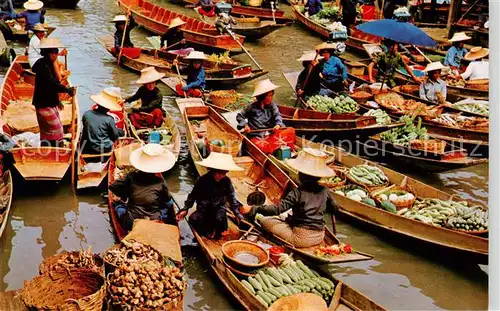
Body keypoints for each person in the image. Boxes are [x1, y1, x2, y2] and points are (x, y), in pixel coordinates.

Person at [240, 148, 337, 248]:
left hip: (301, 238)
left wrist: (254, 208)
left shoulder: (298, 192)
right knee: (283, 217)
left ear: (301, 175)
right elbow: (334, 209)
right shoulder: (325, 190)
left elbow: (278, 209)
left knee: (265, 221)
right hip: (320, 235)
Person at [175, 152, 245, 239]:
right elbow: (192, 196)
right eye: (219, 173)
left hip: (218, 208)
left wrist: (237, 213)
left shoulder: (226, 181)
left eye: (224, 173)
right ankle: (205, 234)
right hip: (204, 209)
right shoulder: (202, 180)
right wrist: (185, 208)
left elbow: (232, 197)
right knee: (193, 219)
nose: (221, 176)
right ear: (212, 170)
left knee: (219, 220)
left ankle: (217, 232)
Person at [110, 143, 176, 232]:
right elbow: (169, 202)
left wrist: (124, 195)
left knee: (119, 207)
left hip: (131, 221)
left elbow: (113, 186)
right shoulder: (160, 182)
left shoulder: (131, 176)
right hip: (153, 220)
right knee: (166, 207)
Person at [32, 38, 75, 147]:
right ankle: (56, 150)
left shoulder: (49, 64)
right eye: (52, 53)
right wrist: (67, 90)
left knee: (48, 131)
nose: (55, 55)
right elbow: (51, 84)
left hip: (49, 101)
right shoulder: (43, 66)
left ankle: (47, 149)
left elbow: (53, 84)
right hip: (43, 103)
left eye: (56, 52)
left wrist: (57, 101)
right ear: (46, 53)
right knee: (57, 130)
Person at [236, 79, 296, 154]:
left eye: (271, 95)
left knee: (291, 130)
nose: (271, 98)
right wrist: (245, 125)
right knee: (263, 147)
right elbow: (239, 116)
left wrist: (278, 124)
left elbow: (277, 115)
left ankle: (275, 147)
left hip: (270, 134)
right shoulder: (251, 107)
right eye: (268, 96)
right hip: (257, 136)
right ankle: (275, 148)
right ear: (262, 97)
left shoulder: (272, 105)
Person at [81, 88, 125, 155]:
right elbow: (115, 136)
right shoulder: (109, 119)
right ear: (108, 108)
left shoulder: (87, 113)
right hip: (103, 149)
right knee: (120, 132)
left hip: (86, 147)